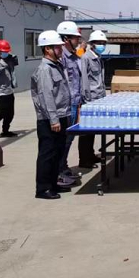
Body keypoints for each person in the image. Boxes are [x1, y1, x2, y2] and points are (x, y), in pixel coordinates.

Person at [31, 30, 71, 200]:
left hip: (61, 115)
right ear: (47, 49)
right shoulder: (44, 70)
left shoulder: (57, 66)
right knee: (47, 154)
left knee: (57, 152)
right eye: (57, 47)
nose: (61, 50)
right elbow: (46, 96)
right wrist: (54, 119)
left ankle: (53, 184)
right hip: (49, 119)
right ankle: (43, 188)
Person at [56, 21, 83, 188]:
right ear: (66, 39)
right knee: (63, 140)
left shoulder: (74, 57)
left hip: (75, 102)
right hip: (66, 105)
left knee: (69, 138)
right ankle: (59, 170)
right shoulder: (62, 58)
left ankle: (63, 167)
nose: (78, 41)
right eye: (75, 38)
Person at [77, 30, 107, 169]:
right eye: (99, 43)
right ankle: (84, 159)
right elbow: (84, 79)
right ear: (92, 44)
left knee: (92, 130)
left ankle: (90, 154)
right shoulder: (86, 58)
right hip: (90, 99)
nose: (102, 45)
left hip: (98, 98)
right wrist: (86, 99)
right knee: (86, 131)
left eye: (103, 43)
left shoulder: (98, 58)